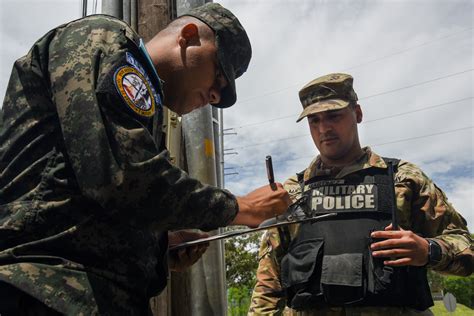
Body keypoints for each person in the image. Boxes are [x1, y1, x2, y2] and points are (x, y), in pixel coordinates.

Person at [0, 3, 291, 315]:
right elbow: (122, 177)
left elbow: (91, 198)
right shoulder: (105, 38)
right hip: (43, 289)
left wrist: (158, 244)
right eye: (218, 75)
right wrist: (242, 207)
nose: (215, 96)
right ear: (188, 36)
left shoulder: (146, 108)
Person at [249, 73, 473, 315]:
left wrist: (428, 250)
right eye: (314, 120)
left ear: (357, 113)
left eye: (334, 116)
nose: (324, 128)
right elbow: (268, 283)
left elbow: (466, 248)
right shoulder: (292, 192)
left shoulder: (403, 178)